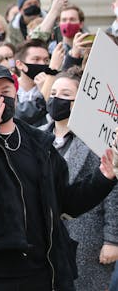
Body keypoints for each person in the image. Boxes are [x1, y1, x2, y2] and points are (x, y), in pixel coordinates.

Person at [0, 63, 118, 290]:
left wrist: (103, 177)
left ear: (15, 92)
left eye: (5, 92)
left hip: (40, 270)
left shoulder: (37, 140)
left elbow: (67, 202)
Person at [40, 68, 118, 290]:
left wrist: (113, 239)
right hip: (44, 240)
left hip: (86, 237)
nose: (56, 99)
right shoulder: (37, 136)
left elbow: (112, 191)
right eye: (53, 93)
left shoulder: (96, 140)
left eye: (65, 94)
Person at [13, 39, 52, 127]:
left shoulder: (54, 88)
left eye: (46, 60)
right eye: (36, 59)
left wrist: (46, 90)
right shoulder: (10, 89)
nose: (42, 64)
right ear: (20, 64)